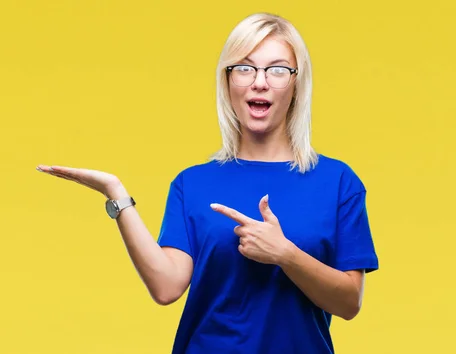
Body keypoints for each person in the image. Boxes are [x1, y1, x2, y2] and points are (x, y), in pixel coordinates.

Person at [36, 12, 379, 354]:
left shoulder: (337, 182)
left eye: (276, 70)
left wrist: (285, 254)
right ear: (228, 81)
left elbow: (349, 303)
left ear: (296, 83)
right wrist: (116, 195)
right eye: (245, 68)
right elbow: (166, 287)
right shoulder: (193, 183)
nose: (259, 82)